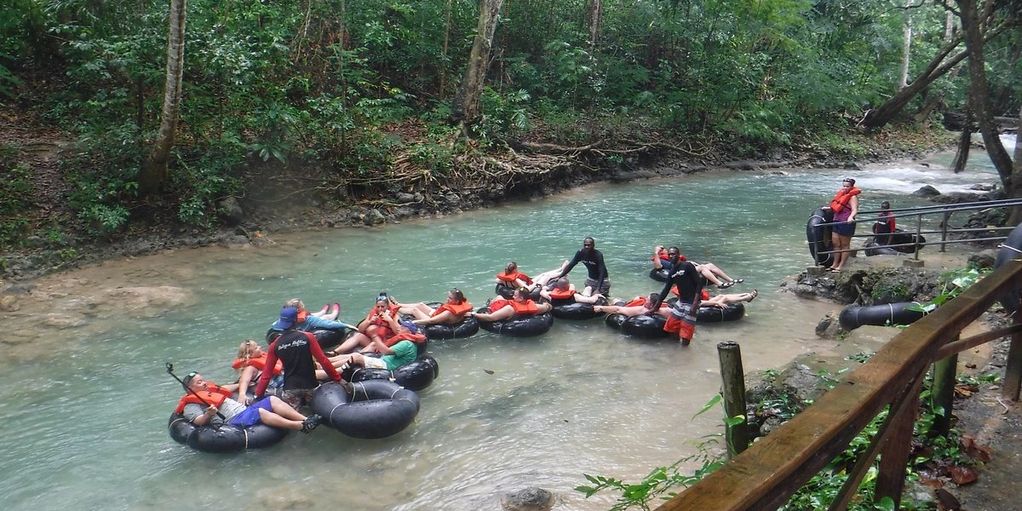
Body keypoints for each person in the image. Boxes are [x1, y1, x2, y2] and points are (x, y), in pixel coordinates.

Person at [254, 306, 343, 409]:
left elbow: (266, 374)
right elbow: (323, 360)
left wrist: (258, 395)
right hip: (311, 386)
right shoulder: (308, 337)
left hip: (290, 390)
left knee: (295, 414)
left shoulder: (274, 345)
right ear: (296, 320)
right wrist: (337, 379)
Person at [176, 371, 320, 433]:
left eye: (203, 380)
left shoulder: (211, 391)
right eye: (199, 382)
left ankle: (306, 419)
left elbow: (226, 388)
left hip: (244, 410)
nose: (204, 383)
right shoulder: (191, 405)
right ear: (190, 388)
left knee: (272, 399)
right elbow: (198, 421)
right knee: (260, 412)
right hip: (232, 419)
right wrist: (208, 414)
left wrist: (241, 384)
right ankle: (300, 426)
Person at [648, 252, 705, 346]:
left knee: (686, 331)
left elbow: (699, 283)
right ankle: (675, 352)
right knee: (671, 326)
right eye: (669, 254)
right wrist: (655, 308)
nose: (671, 256)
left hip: (692, 302)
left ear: (678, 255)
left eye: (673, 254)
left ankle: (685, 351)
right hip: (681, 301)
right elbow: (666, 290)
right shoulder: (672, 271)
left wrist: (695, 304)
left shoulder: (687, 266)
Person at [653, 245, 743, 289]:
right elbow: (658, 267)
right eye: (663, 249)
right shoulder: (662, 260)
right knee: (702, 267)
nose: (665, 249)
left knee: (710, 265)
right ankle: (719, 284)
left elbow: (684, 262)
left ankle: (731, 280)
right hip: (680, 272)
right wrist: (656, 252)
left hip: (686, 268)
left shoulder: (676, 257)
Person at [267, 298, 356, 341]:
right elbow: (328, 324)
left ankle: (322, 312)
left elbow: (274, 326)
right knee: (324, 319)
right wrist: (345, 325)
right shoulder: (309, 320)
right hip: (310, 325)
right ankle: (333, 315)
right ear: (299, 309)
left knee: (316, 317)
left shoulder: (285, 318)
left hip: (299, 328)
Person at [232, 339, 283, 405]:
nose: (260, 347)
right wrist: (242, 394)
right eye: (256, 348)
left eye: (258, 345)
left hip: (281, 383)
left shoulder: (264, 358)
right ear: (249, 355)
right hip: (273, 389)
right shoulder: (250, 368)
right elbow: (244, 381)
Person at [326, 339, 419, 373]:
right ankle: (327, 361)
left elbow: (386, 351)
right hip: (384, 362)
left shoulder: (407, 344)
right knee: (355, 355)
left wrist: (375, 336)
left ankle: (332, 370)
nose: (400, 327)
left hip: (385, 366)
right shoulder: (411, 344)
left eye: (403, 326)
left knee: (356, 357)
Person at [392, 288, 474, 326]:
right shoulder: (460, 304)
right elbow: (469, 309)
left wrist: (413, 322)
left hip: (436, 320)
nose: (447, 299)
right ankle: (398, 304)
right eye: (448, 297)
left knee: (414, 310)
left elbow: (431, 321)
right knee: (420, 304)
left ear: (456, 301)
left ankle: (397, 309)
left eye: (450, 298)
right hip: (437, 315)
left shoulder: (448, 313)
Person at [829, 177, 860, 272]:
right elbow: (837, 206)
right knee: (836, 244)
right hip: (837, 220)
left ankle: (841, 266)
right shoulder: (842, 195)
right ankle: (835, 264)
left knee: (845, 245)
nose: (845, 188)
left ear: (852, 187)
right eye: (844, 186)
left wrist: (851, 217)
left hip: (846, 222)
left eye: (847, 186)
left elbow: (854, 209)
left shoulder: (852, 197)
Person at [471, 287, 553, 322]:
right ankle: (544, 292)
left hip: (503, 314)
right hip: (524, 312)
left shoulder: (509, 309)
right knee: (500, 297)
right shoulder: (535, 307)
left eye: (515, 295)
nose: (513, 296)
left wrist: (474, 314)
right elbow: (548, 307)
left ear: (521, 298)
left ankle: (491, 303)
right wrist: (547, 303)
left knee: (499, 298)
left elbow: (491, 318)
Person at [593, 293, 667, 317]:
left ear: (650, 304)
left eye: (647, 299)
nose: (645, 300)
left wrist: (601, 308)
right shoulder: (666, 311)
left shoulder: (642, 310)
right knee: (637, 298)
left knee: (616, 300)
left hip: (626, 308)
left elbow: (618, 309)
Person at [539, 277, 604, 304]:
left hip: (558, 305)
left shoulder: (550, 295)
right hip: (580, 301)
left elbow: (542, 292)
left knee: (573, 286)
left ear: (558, 287)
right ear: (568, 286)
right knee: (589, 288)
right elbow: (592, 300)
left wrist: (545, 289)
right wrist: (597, 295)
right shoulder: (575, 296)